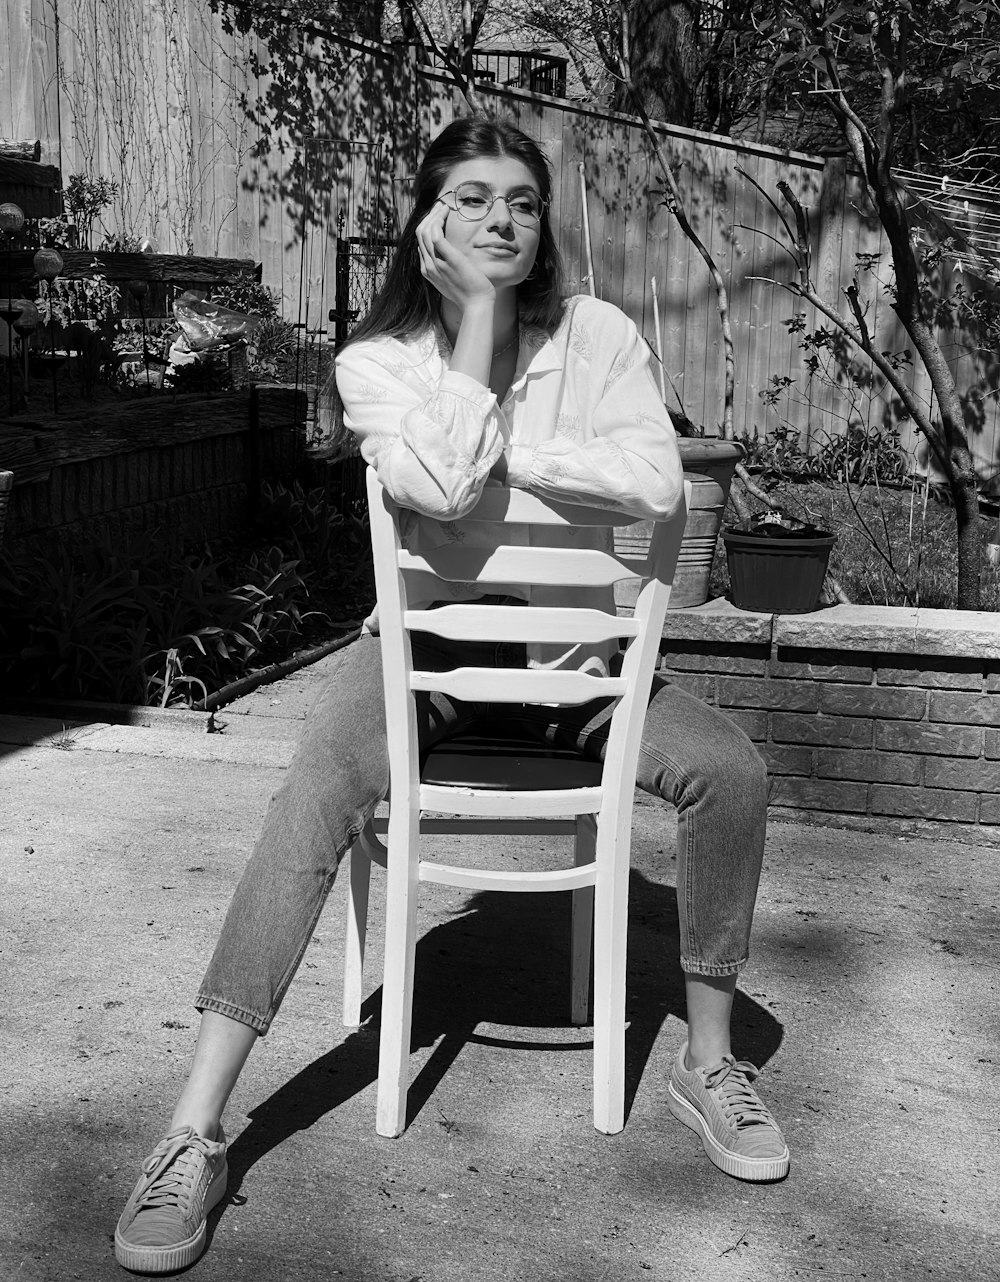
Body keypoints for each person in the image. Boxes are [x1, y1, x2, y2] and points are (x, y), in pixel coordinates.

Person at [113, 116, 788, 1276]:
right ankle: (195, 1125)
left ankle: (705, 1060)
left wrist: (508, 470)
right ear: (430, 221)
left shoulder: (601, 334)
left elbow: (653, 481)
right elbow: (429, 482)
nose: (500, 223)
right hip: (421, 670)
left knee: (733, 771)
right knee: (318, 781)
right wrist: (476, 338)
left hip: (584, 670)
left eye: (521, 203)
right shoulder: (376, 362)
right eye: (472, 200)